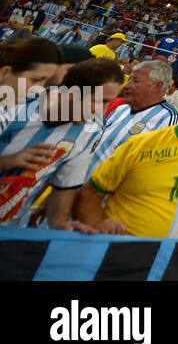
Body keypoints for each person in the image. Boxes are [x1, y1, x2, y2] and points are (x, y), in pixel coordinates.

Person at [75, 66, 178, 238]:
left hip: (161, 258)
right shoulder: (140, 144)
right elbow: (91, 192)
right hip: (111, 249)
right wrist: (96, 225)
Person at [0, 58, 123, 227]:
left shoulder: (92, 129)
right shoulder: (16, 102)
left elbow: (65, 184)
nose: (102, 111)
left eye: (109, 102)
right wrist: (7, 161)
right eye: (99, 101)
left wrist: (60, 224)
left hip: (8, 229)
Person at [88, 59, 178, 172]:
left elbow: (159, 165)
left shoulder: (169, 118)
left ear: (157, 86)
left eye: (135, 81)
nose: (127, 85)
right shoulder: (122, 108)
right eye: (129, 79)